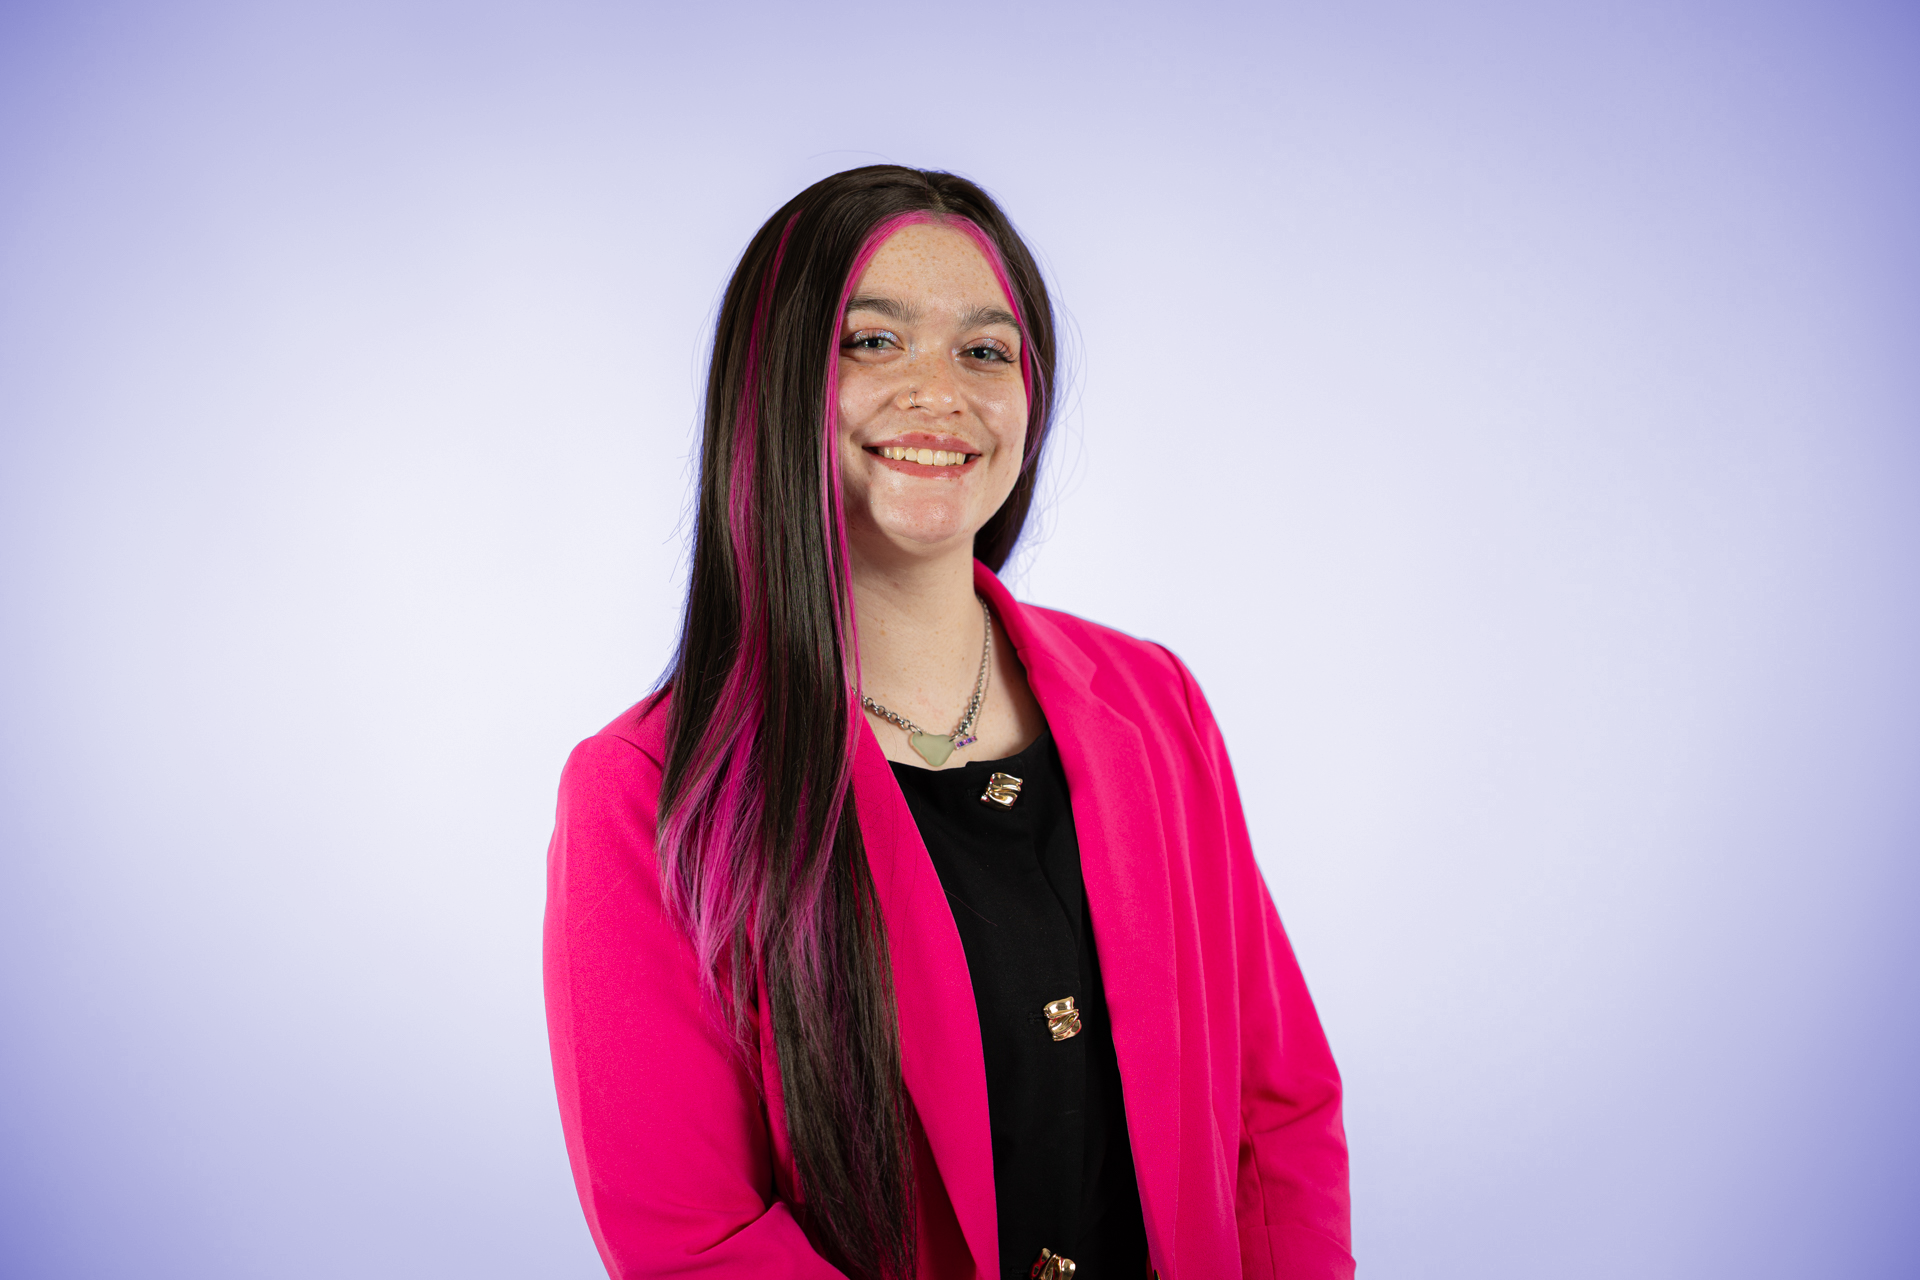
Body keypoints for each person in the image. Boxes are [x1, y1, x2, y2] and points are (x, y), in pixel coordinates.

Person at [543, 166, 1353, 1280]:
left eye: (984, 350)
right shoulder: (646, 791)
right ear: (772, 385)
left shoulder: (1154, 702)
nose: (940, 392)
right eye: (873, 342)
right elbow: (695, 1240)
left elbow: (1277, 1109)